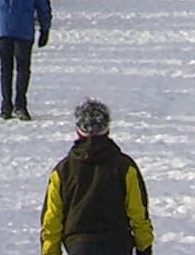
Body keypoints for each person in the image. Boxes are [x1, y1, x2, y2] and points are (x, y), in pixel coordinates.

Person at [37, 102, 150, 255]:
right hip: (117, 245)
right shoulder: (124, 167)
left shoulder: (63, 171)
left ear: (78, 131)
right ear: (107, 130)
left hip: (79, 246)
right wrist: (144, 248)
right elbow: (138, 213)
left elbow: (52, 219)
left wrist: (50, 251)